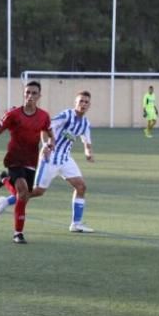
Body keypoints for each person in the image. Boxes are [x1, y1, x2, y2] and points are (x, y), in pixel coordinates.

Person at [0, 81, 54, 244]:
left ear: (39, 96)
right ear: (24, 94)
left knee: (24, 196)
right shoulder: (14, 114)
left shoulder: (44, 116)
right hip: (14, 158)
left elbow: (50, 134)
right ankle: (18, 233)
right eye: (28, 92)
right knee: (23, 192)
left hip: (31, 160)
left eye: (34, 93)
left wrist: (48, 145)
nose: (30, 96)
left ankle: (4, 180)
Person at [25, 90, 96, 233]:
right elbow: (45, 128)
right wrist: (45, 145)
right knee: (38, 191)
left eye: (86, 102)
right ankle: (7, 201)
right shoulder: (66, 115)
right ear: (75, 103)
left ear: (89, 105)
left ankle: (76, 224)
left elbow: (87, 143)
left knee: (81, 187)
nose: (83, 104)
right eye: (81, 101)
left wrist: (88, 153)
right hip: (50, 157)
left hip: (65, 159)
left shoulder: (85, 124)